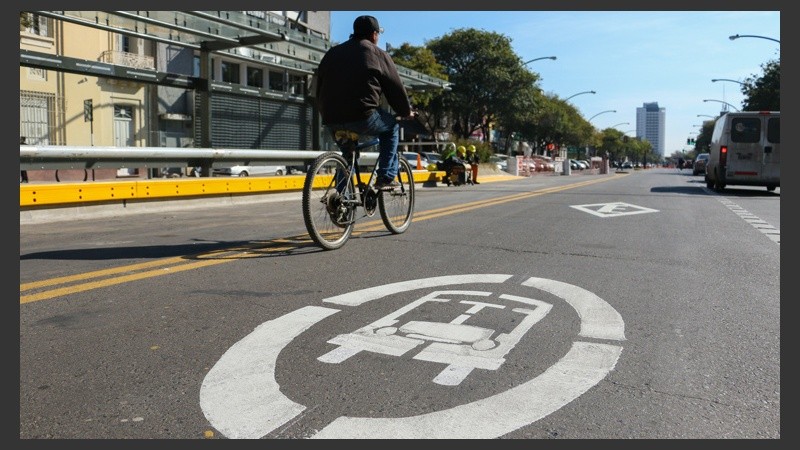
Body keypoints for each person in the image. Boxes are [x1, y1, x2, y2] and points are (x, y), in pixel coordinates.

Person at [315, 15, 414, 190]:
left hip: (331, 118)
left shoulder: (332, 53)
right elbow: (395, 89)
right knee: (391, 128)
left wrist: (324, 111)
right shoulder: (377, 54)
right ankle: (386, 176)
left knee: (348, 156)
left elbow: (319, 85)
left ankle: (341, 199)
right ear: (374, 34)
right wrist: (406, 111)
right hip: (363, 115)